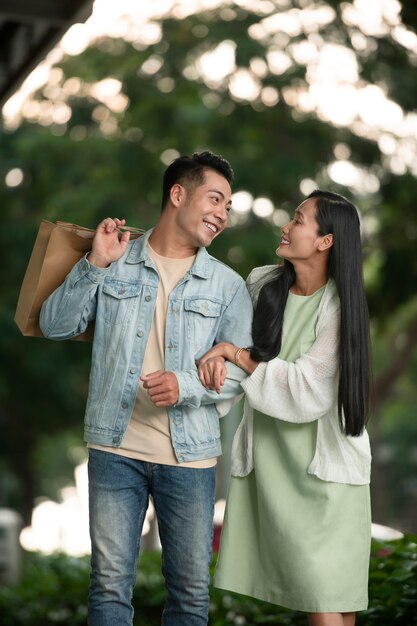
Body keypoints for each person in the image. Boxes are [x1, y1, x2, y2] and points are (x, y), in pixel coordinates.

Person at [39, 150, 253, 626]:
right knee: (110, 589)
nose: (222, 213)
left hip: (191, 457)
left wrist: (186, 386)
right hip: (115, 449)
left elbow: (241, 371)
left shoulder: (227, 286)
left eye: (228, 206)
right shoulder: (114, 259)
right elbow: (54, 325)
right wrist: (95, 262)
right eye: (215, 199)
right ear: (178, 194)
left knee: (191, 597)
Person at [197, 190, 372, 626]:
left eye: (298, 220)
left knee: (331, 601)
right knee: (328, 603)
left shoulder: (339, 306)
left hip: (325, 475)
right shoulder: (260, 284)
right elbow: (215, 331)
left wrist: (237, 354)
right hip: (273, 466)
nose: (286, 226)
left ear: (325, 241)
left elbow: (308, 389)